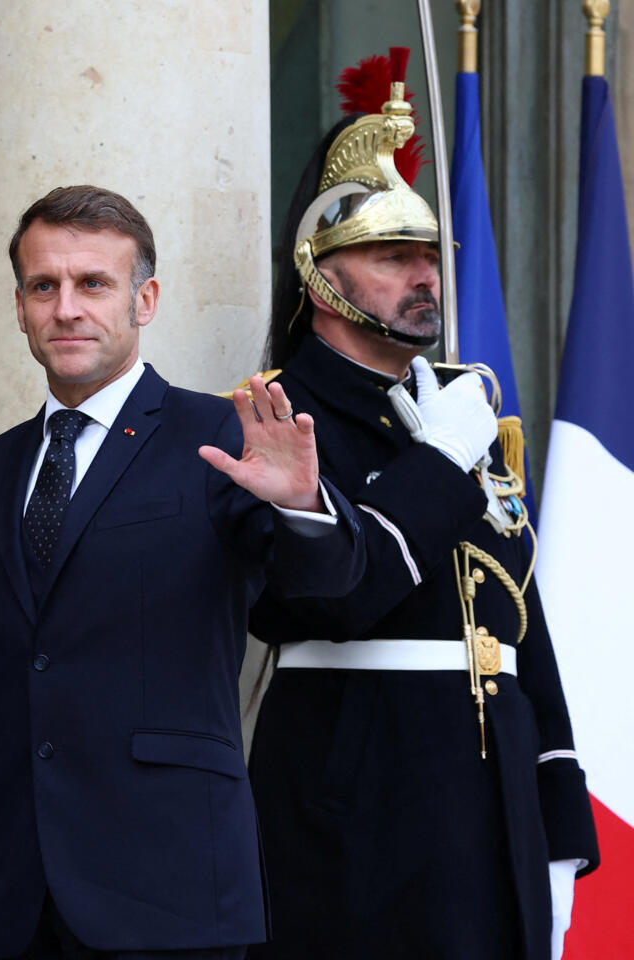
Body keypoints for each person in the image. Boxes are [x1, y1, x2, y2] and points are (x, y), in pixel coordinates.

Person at [0, 185, 367, 959]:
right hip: (21, 896)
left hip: (172, 895)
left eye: (93, 284)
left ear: (144, 299)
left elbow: (324, 585)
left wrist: (306, 507)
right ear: (19, 307)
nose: (67, 308)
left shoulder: (217, 434)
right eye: (44, 286)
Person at [243, 84, 600, 960]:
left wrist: (559, 826)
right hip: (359, 800)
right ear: (322, 278)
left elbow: (519, 623)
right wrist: (438, 464)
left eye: (430, 255)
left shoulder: (462, 415)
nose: (425, 276)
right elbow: (332, 598)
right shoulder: (274, 423)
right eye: (392, 256)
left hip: (494, 801)